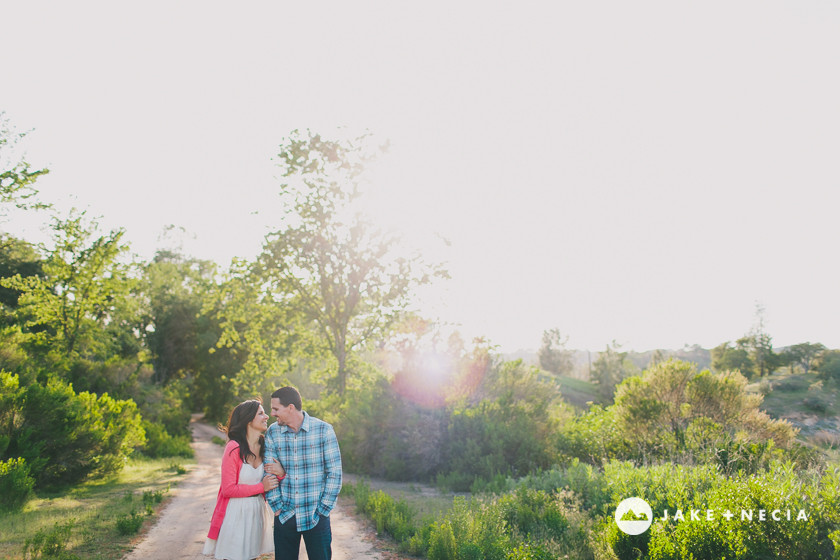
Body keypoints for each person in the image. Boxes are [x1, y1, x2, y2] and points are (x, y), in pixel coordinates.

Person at [264, 386, 342, 560]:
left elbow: (335, 473)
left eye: (276, 409)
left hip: (316, 515)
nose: (272, 414)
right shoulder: (273, 432)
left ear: (290, 407)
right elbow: (268, 472)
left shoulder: (324, 430)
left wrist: (323, 510)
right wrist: (277, 506)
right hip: (285, 515)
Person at [203, 399, 287, 560]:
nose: (267, 416)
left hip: (257, 512)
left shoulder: (265, 445)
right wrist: (261, 487)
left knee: (253, 557)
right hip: (235, 513)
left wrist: (281, 474)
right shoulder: (233, 448)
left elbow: (273, 479)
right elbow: (228, 489)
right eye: (261, 413)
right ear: (248, 420)